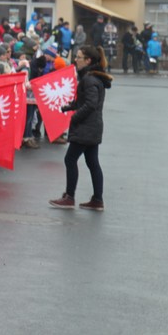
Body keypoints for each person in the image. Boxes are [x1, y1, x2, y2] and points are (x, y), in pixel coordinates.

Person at [49, 45, 112, 211]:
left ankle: (69, 197)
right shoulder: (92, 78)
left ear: (88, 60)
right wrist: (68, 107)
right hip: (93, 126)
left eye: (79, 57)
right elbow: (85, 101)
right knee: (92, 163)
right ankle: (97, 200)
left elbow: (91, 104)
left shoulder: (89, 79)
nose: (75, 60)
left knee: (70, 159)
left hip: (86, 127)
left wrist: (75, 116)